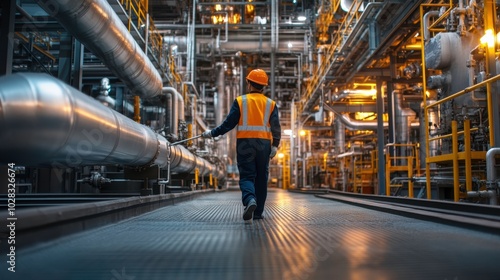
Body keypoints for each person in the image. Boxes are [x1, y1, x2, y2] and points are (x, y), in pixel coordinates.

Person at [202, 69, 281, 221]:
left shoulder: (240, 101)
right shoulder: (271, 104)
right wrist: (275, 145)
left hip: (245, 143)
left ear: (248, 82)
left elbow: (228, 124)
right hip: (264, 145)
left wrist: (212, 133)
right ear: (264, 86)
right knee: (261, 178)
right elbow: (276, 127)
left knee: (247, 176)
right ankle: (258, 213)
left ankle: (250, 199)